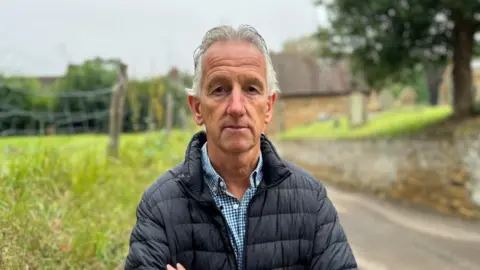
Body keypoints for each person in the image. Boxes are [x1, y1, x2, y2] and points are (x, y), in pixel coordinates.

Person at [124, 24, 357, 270]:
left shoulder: (311, 200)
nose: (236, 107)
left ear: (268, 107)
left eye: (251, 89)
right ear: (197, 108)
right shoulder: (160, 205)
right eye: (220, 89)